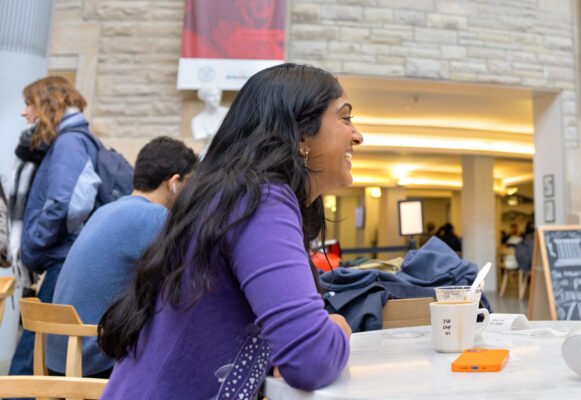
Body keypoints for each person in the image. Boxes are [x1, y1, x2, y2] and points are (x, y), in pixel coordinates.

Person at [97, 63, 361, 398]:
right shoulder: (262, 198)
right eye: (345, 116)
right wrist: (337, 329)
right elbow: (309, 358)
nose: (357, 135)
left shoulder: (235, 194)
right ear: (300, 135)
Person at [46, 136, 198, 378]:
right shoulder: (155, 216)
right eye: (189, 182)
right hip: (92, 361)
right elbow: (186, 281)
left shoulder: (105, 210)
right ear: (173, 182)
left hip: (57, 358)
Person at [10, 76, 99, 376]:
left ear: (47, 104)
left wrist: (33, 243)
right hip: (64, 257)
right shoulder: (70, 139)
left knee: (31, 354)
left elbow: (65, 203)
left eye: (29, 104)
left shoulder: (69, 141)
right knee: (38, 350)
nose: (25, 113)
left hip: (62, 258)